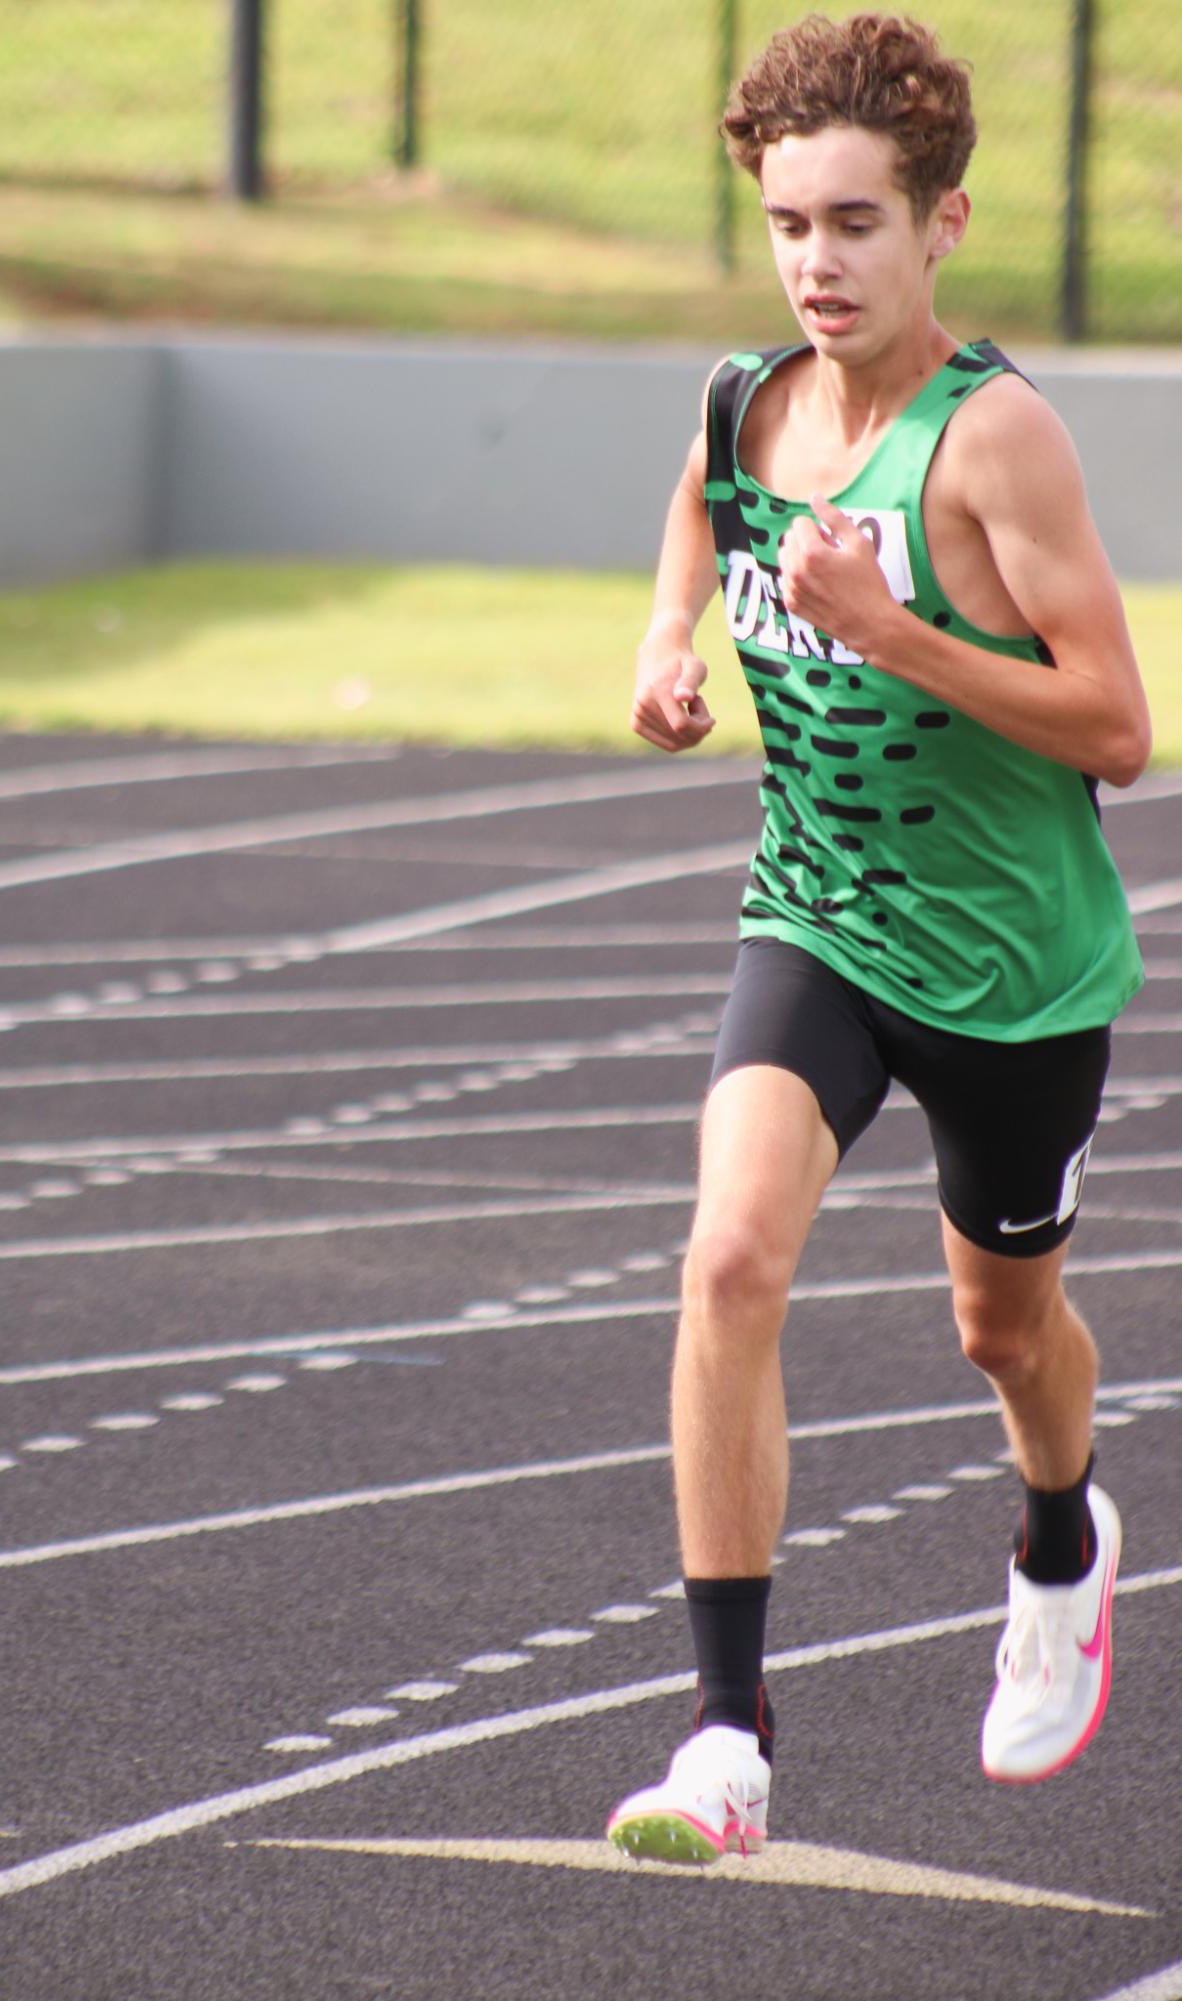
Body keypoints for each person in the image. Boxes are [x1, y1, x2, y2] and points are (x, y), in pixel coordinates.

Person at [606, 11, 1151, 1866]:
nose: (817, 263)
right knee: (726, 1261)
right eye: (787, 226)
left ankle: (1062, 1533)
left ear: (941, 228)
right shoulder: (741, 401)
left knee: (1000, 1332)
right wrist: (668, 643)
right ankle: (723, 1733)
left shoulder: (996, 439)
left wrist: (893, 625)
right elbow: (700, 508)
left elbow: (1115, 731)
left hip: (1012, 966)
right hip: (819, 913)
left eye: (855, 224)